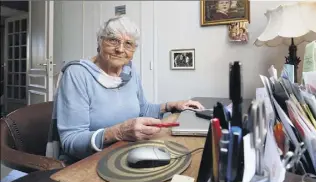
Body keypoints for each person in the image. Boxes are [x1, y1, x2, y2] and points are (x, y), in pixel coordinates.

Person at [46, 16, 205, 164]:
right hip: (87, 162)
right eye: (113, 40)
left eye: (128, 44)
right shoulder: (77, 74)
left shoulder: (128, 71)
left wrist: (172, 105)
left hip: (125, 152)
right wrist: (118, 132)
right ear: (99, 42)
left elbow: (143, 110)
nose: (120, 49)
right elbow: (71, 141)